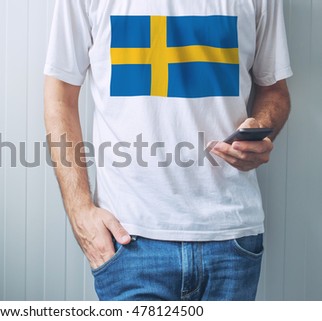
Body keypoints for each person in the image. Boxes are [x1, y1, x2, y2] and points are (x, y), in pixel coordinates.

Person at [44, 0, 292, 301]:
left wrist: (261, 127)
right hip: (128, 238)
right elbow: (59, 97)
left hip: (231, 239)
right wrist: (80, 212)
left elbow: (274, 89)